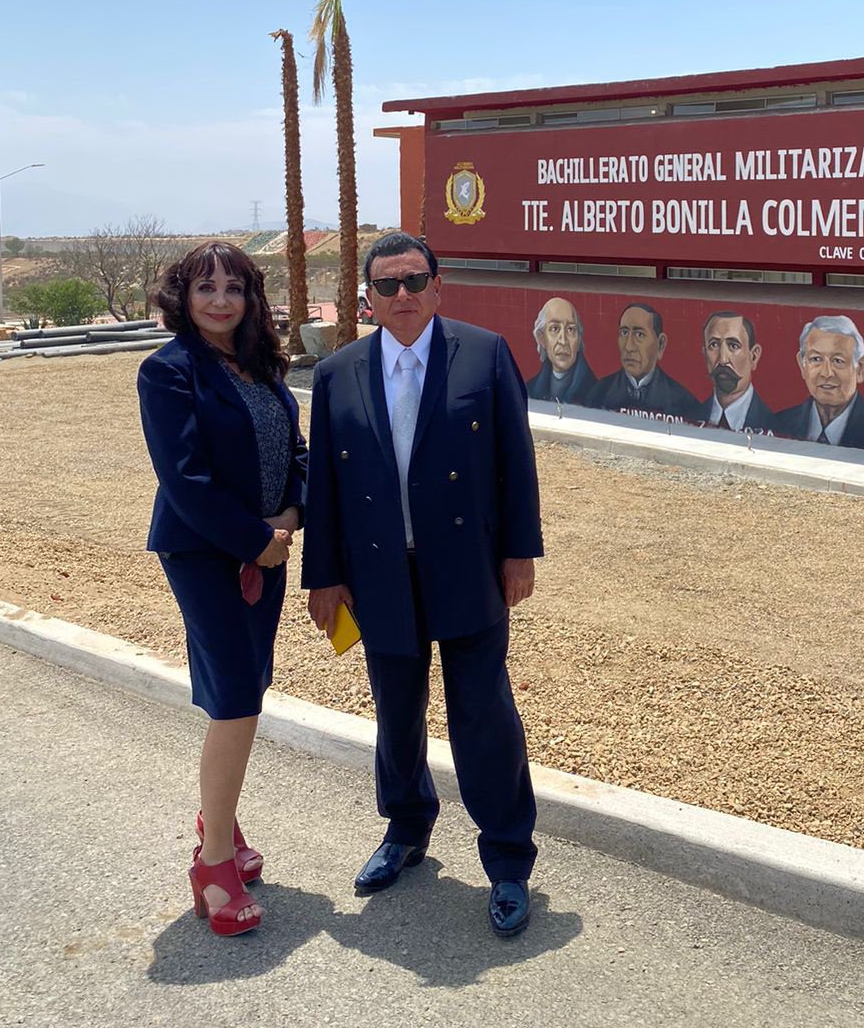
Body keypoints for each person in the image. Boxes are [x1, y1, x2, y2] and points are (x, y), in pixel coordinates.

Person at [302, 230, 542, 939]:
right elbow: (328, 488)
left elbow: (515, 462)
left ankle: (507, 861)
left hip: (466, 566)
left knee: (483, 716)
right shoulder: (338, 372)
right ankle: (405, 830)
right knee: (396, 714)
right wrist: (324, 575)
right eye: (387, 286)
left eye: (414, 282)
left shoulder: (485, 352)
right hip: (379, 573)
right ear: (368, 298)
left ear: (438, 287)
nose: (401, 296)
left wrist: (519, 555)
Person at [137, 241, 306, 938]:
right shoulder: (167, 371)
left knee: (246, 688)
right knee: (234, 695)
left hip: (270, 547)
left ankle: (220, 817)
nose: (219, 300)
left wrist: (293, 515)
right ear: (184, 296)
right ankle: (212, 864)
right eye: (205, 288)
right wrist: (255, 540)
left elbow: (295, 452)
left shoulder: (264, 365)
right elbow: (185, 480)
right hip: (207, 554)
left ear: (250, 297)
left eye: (233, 288)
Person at [773, 315, 864, 455]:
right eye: (816, 359)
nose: (826, 373)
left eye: (838, 361)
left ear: (860, 368)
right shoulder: (778, 425)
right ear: (802, 366)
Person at [585, 302, 701, 420]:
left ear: (660, 344)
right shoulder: (599, 392)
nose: (628, 347)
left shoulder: (683, 402)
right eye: (624, 333)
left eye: (639, 335)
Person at [696, 311, 778, 433]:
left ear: (754, 356)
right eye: (714, 345)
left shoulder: (777, 424)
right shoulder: (690, 415)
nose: (723, 359)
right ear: (704, 354)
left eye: (733, 346)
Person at [526, 296, 596, 405]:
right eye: (555, 329)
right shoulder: (530, 390)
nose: (563, 341)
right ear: (542, 338)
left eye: (570, 329)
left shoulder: (596, 392)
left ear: (578, 340)